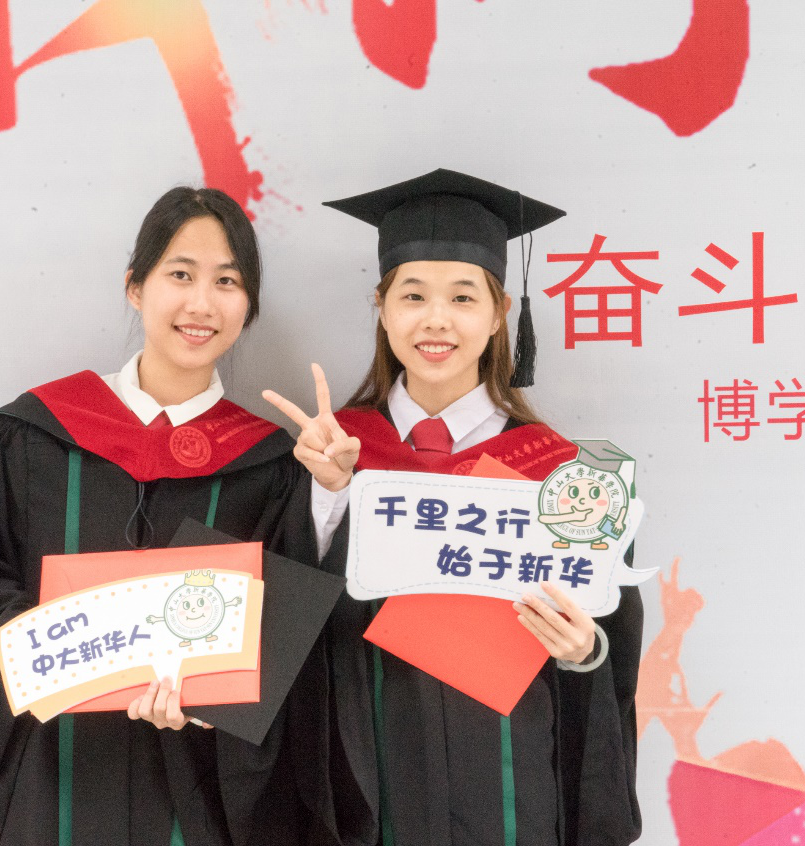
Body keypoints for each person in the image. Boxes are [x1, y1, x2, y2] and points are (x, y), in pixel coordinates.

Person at [0, 186, 333, 846]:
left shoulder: (269, 466)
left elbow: (285, 641)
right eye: (180, 275)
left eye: (227, 282)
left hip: (193, 792)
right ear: (135, 287)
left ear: (248, 306)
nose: (201, 304)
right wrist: (66, 658)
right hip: (49, 781)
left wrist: (207, 706)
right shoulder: (30, 436)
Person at [263, 169, 644, 846]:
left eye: (463, 297)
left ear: (498, 314)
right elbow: (284, 628)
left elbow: (610, 656)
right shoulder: (337, 455)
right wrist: (330, 495)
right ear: (382, 308)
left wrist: (582, 651)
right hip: (371, 786)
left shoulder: (563, 478)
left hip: (512, 788)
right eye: (412, 295)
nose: (435, 320)